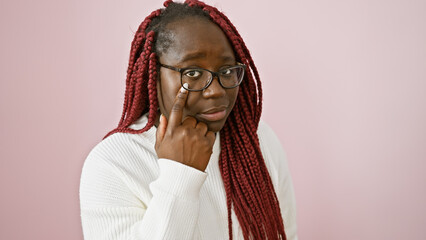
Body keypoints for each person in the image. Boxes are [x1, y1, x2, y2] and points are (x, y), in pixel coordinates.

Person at [79, 0, 298, 239]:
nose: (215, 91)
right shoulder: (113, 163)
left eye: (226, 71)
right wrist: (180, 174)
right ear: (154, 74)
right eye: (192, 73)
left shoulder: (257, 139)